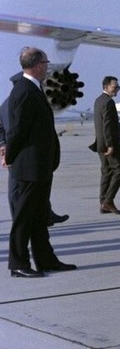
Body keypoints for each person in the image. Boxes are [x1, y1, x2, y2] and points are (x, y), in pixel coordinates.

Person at [5, 47, 77, 278]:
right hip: (29, 166)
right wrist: (10, 157)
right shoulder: (24, 91)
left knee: (38, 218)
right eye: (46, 62)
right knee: (24, 218)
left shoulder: (32, 89)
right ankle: (18, 264)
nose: (48, 66)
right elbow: (17, 131)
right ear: (37, 65)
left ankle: (46, 260)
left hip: (40, 166)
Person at [1, 72, 69, 227]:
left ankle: (45, 214)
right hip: (21, 153)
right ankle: (21, 219)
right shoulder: (18, 101)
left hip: (21, 152)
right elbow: (15, 130)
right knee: (17, 188)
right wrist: (6, 150)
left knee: (33, 188)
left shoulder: (10, 101)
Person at [89, 76, 120, 215]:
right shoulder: (108, 102)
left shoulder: (99, 100)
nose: (117, 89)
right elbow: (107, 125)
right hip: (109, 144)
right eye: (114, 87)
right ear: (106, 87)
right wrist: (110, 145)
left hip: (100, 144)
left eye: (118, 87)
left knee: (107, 172)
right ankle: (108, 202)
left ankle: (103, 202)